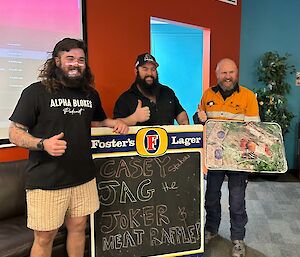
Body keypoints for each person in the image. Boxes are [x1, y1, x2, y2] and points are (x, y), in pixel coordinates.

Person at [8, 38, 129, 257]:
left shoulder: (90, 94)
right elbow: (14, 132)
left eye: (81, 60)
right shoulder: (36, 92)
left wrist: (115, 123)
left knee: (79, 228)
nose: (76, 64)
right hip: (47, 181)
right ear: (57, 61)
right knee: (45, 238)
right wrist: (42, 144)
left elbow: (97, 121)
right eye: (70, 58)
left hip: (83, 177)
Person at [194, 58, 260, 257]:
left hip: (238, 159)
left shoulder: (248, 96)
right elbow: (198, 117)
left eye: (231, 72)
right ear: (217, 74)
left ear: (236, 73)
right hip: (214, 158)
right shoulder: (208, 94)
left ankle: (238, 238)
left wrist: (249, 159)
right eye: (224, 73)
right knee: (211, 197)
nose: (228, 76)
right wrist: (199, 117)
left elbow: (254, 131)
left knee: (237, 200)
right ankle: (211, 230)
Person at [113, 52, 189, 125]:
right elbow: (115, 124)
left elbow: (180, 113)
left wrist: (185, 123)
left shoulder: (167, 92)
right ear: (136, 71)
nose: (149, 73)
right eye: (145, 69)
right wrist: (134, 118)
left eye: (153, 69)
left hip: (168, 138)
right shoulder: (125, 99)